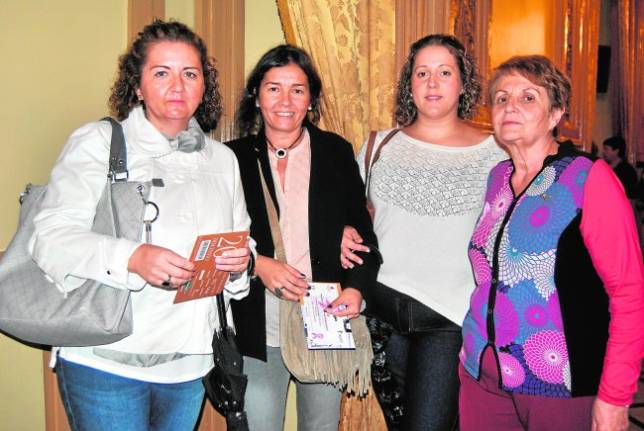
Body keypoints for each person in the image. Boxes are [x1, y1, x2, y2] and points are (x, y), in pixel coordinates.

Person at [29, 20, 252, 431]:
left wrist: (241, 263)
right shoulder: (100, 142)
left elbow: (242, 242)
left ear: (205, 84)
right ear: (137, 85)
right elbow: (50, 239)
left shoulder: (223, 160)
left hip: (190, 364)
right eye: (161, 73)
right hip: (107, 361)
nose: (178, 86)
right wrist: (132, 257)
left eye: (190, 73)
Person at [459, 55, 644, 431]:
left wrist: (614, 396)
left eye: (528, 97)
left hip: (558, 381)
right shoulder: (498, 176)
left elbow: (629, 293)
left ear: (556, 112)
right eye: (501, 98)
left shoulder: (587, 178)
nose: (510, 105)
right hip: (481, 374)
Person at [342, 34, 507, 430]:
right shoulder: (377, 145)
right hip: (381, 315)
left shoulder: (496, 153)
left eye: (444, 72)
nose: (432, 83)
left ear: (463, 83)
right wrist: (343, 228)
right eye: (422, 73)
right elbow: (350, 213)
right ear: (409, 85)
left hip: (448, 320)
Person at [226, 44, 380, 431]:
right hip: (256, 323)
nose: (285, 100)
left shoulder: (334, 152)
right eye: (273, 87)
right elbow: (210, 240)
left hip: (324, 320)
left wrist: (356, 292)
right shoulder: (230, 158)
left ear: (311, 99)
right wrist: (257, 264)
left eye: (297, 89)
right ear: (256, 96)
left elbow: (366, 242)